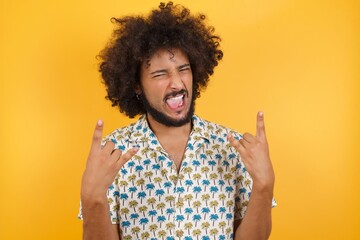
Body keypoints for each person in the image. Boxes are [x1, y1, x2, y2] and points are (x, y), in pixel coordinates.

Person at [79, 2, 276, 239]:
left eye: (183, 69)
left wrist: (264, 185)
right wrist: (92, 198)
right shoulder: (112, 155)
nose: (177, 83)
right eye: (160, 74)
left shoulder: (232, 148)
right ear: (136, 86)